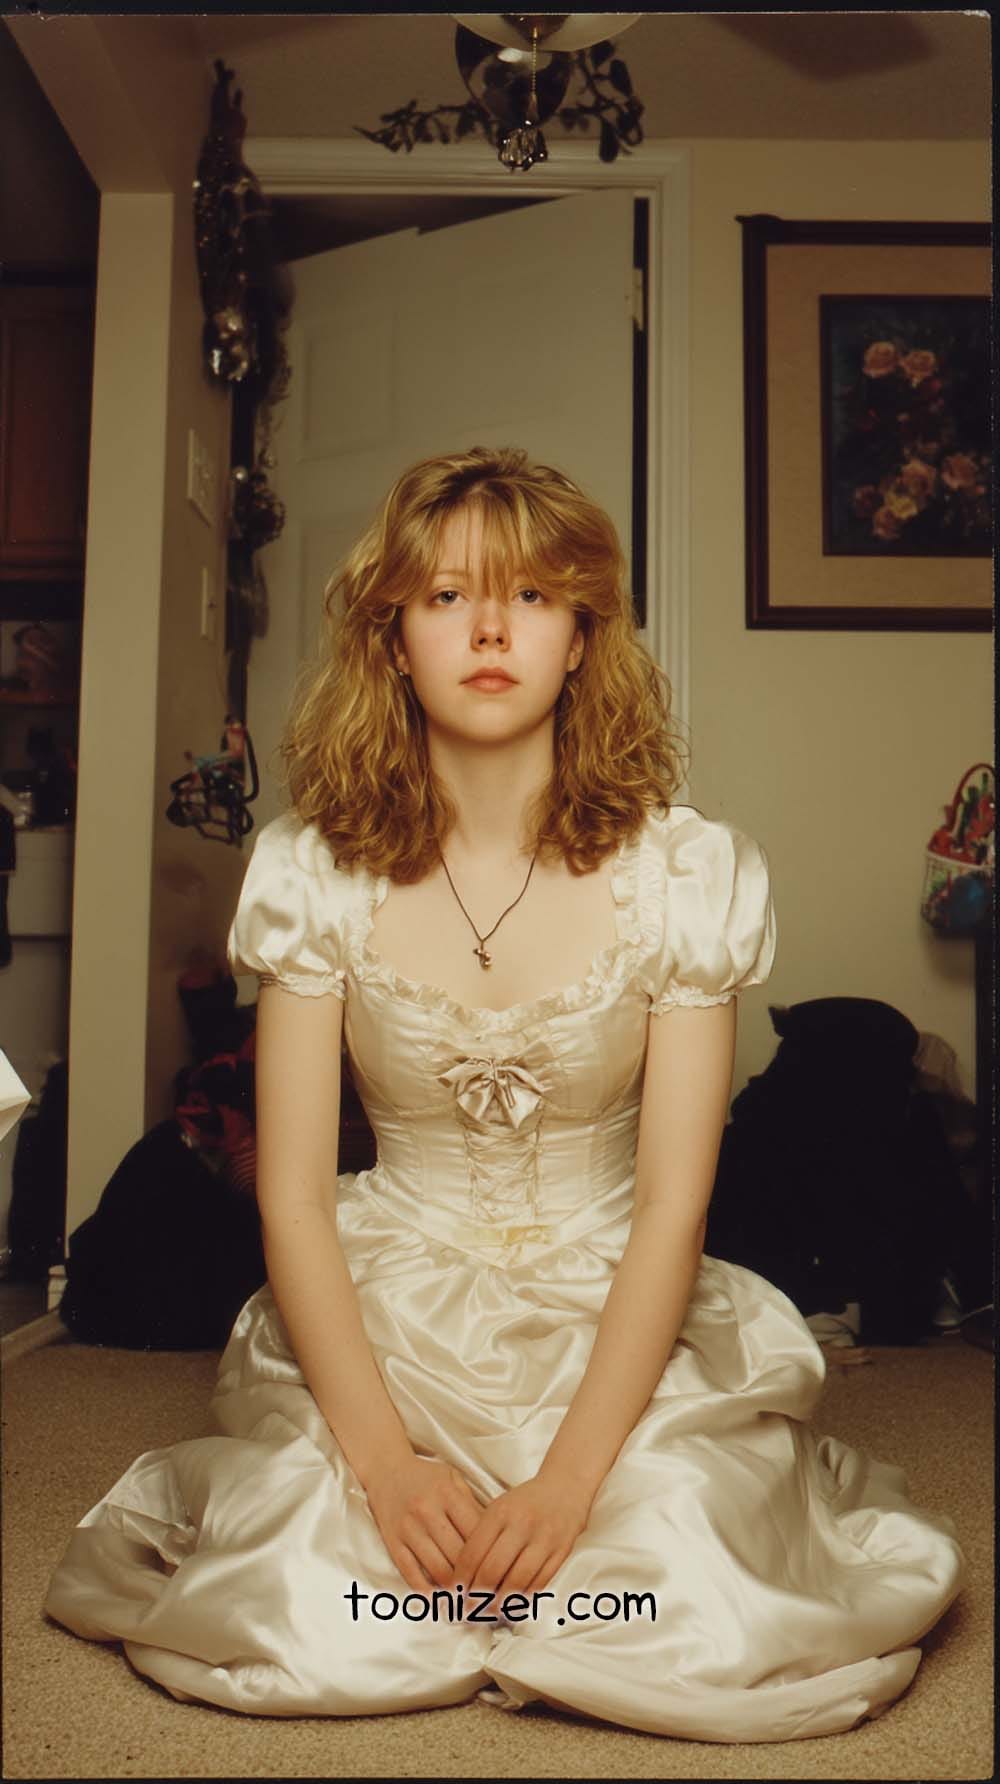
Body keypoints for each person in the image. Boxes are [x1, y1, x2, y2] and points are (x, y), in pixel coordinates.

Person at [46, 447, 963, 1741]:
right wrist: (384, 1460)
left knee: (679, 1610)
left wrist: (572, 1481)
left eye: (534, 598)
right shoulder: (312, 873)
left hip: (615, 1301)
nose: (490, 629)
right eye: (446, 598)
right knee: (325, 1616)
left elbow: (670, 1211)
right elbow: (297, 1198)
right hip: (388, 1303)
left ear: (584, 637)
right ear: (392, 636)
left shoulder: (686, 877)